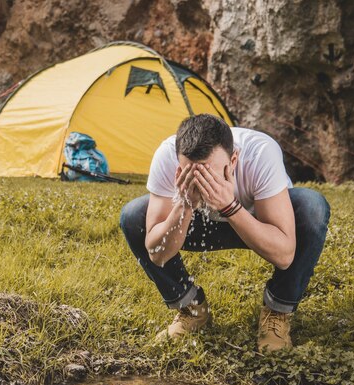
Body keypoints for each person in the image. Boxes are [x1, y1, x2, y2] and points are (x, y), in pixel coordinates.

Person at [120, 114, 330, 352]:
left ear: (234, 159)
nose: (204, 184)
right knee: (134, 215)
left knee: (312, 206)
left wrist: (229, 206)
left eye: (211, 174)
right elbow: (157, 254)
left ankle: (277, 313)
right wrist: (185, 204)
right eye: (192, 175)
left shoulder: (260, 153)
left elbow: (283, 255)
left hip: (256, 221)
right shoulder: (167, 155)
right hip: (195, 223)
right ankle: (191, 309)